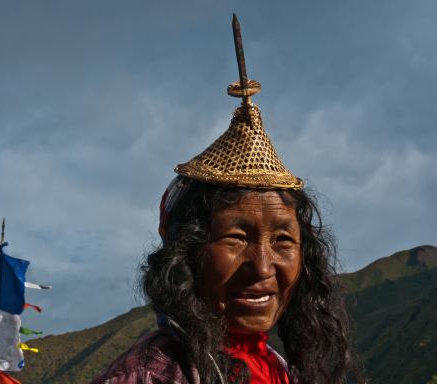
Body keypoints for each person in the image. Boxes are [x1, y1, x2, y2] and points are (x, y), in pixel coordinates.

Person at [91, 15, 364, 384]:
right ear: (186, 253)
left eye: (284, 239)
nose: (263, 268)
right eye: (236, 236)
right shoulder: (151, 376)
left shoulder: (277, 369)